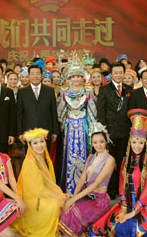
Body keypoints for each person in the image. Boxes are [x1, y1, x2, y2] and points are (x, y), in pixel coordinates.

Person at [89, 109, 147, 237]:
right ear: (129, 143)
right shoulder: (125, 162)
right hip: (127, 203)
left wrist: (132, 212)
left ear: (145, 144)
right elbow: (121, 185)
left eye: (141, 143)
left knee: (140, 229)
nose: (137, 146)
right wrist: (124, 207)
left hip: (144, 205)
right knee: (114, 225)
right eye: (134, 142)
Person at [58, 123, 115, 236]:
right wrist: (73, 197)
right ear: (92, 144)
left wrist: (74, 200)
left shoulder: (110, 160)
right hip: (86, 195)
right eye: (95, 142)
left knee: (73, 211)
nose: (98, 145)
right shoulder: (90, 157)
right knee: (64, 206)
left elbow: (96, 184)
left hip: (99, 201)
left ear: (106, 141)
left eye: (101, 142)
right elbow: (82, 178)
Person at [12, 128, 66, 236]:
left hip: (42, 193)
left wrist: (57, 194)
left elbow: (48, 183)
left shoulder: (43, 158)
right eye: (35, 143)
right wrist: (56, 195)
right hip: (33, 198)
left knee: (62, 199)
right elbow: (37, 189)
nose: (40, 145)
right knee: (55, 205)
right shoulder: (30, 162)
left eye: (42, 141)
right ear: (30, 145)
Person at [57, 59, 97, 194]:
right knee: (69, 155)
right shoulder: (64, 93)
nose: (76, 79)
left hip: (83, 127)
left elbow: (92, 113)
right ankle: (70, 188)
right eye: (73, 77)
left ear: (82, 78)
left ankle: (84, 188)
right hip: (69, 129)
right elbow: (60, 113)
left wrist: (93, 130)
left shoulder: (88, 92)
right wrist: (61, 127)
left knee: (85, 154)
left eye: (78, 76)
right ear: (69, 78)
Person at [97, 62, 132, 197]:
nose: (118, 75)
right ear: (111, 74)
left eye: (120, 72)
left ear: (124, 73)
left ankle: (122, 189)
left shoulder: (129, 89)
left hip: (125, 131)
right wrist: (105, 130)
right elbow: (101, 111)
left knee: (123, 161)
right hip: (110, 132)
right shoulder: (104, 90)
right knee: (109, 162)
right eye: (115, 72)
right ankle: (110, 190)